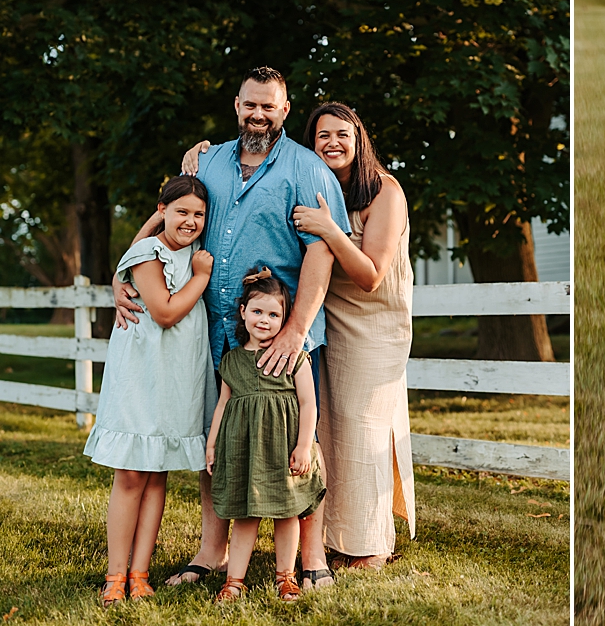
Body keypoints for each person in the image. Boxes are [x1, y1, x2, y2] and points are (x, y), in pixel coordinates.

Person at [113, 66, 349, 591]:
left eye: (270, 106)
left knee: (298, 443)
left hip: (278, 334)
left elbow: (323, 253)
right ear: (236, 105)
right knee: (214, 444)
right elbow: (172, 219)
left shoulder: (307, 170)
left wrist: (297, 330)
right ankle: (211, 552)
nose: (258, 114)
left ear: (285, 111)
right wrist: (120, 270)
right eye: (250, 105)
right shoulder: (208, 161)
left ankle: (311, 561)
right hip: (214, 331)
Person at [184, 101, 416, 569]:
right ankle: (336, 538)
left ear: (359, 139)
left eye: (342, 135)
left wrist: (329, 230)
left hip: (372, 319)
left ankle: (368, 544)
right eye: (322, 135)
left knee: (362, 423)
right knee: (327, 427)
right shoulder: (322, 182)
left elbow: (371, 275)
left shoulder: (384, 190)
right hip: (329, 307)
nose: (332, 143)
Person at [85, 176, 213, 606]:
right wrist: (201, 278)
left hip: (176, 376)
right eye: (181, 212)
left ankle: (140, 572)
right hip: (141, 375)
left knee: (157, 472)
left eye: (199, 214)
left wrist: (197, 266)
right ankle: (115, 575)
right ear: (161, 210)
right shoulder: (149, 253)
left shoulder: (192, 251)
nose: (190, 221)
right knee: (131, 474)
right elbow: (164, 312)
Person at [206, 268, 326, 602]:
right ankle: (234, 582)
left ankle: (286, 577)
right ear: (242, 312)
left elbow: (308, 404)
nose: (264, 320)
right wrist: (213, 443)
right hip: (245, 448)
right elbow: (222, 405)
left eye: (274, 314)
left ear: (285, 319)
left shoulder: (294, 358)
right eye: (257, 311)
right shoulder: (231, 361)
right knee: (245, 515)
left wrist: (304, 446)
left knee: (287, 512)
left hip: (283, 447)